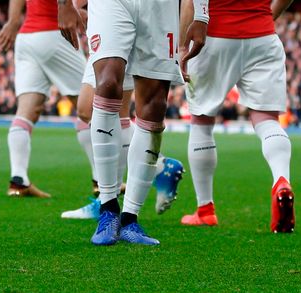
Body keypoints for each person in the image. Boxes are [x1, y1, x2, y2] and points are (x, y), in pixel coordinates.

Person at [58, 0, 207, 245]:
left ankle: (130, 218)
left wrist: (202, 15)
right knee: (106, 84)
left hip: (161, 7)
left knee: (155, 104)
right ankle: (107, 207)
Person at [179, 0, 296, 233]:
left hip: (214, 36)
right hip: (263, 36)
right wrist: (265, 17)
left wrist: (182, 46)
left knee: (202, 121)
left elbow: (191, 3)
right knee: (267, 121)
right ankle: (281, 181)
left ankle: (205, 210)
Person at [61, 42, 186, 220]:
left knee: (97, 109)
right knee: (101, 112)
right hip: (105, 26)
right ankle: (110, 199)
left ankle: (156, 168)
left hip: (121, 27)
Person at [0, 0, 87, 197]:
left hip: (27, 38)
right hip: (55, 33)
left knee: (27, 111)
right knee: (93, 108)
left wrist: (13, 21)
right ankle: (103, 181)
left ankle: (18, 180)